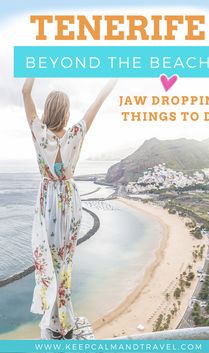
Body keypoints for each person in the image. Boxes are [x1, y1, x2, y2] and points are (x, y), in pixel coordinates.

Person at [22, 78, 117, 339]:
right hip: (69, 198)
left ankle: (54, 320)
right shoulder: (76, 133)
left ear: (48, 110)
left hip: (48, 200)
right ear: (65, 111)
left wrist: (33, 67)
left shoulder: (39, 133)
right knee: (65, 261)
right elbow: (98, 102)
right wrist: (112, 80)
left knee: (47, 258)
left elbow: (25, 92)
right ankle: (64, 317)